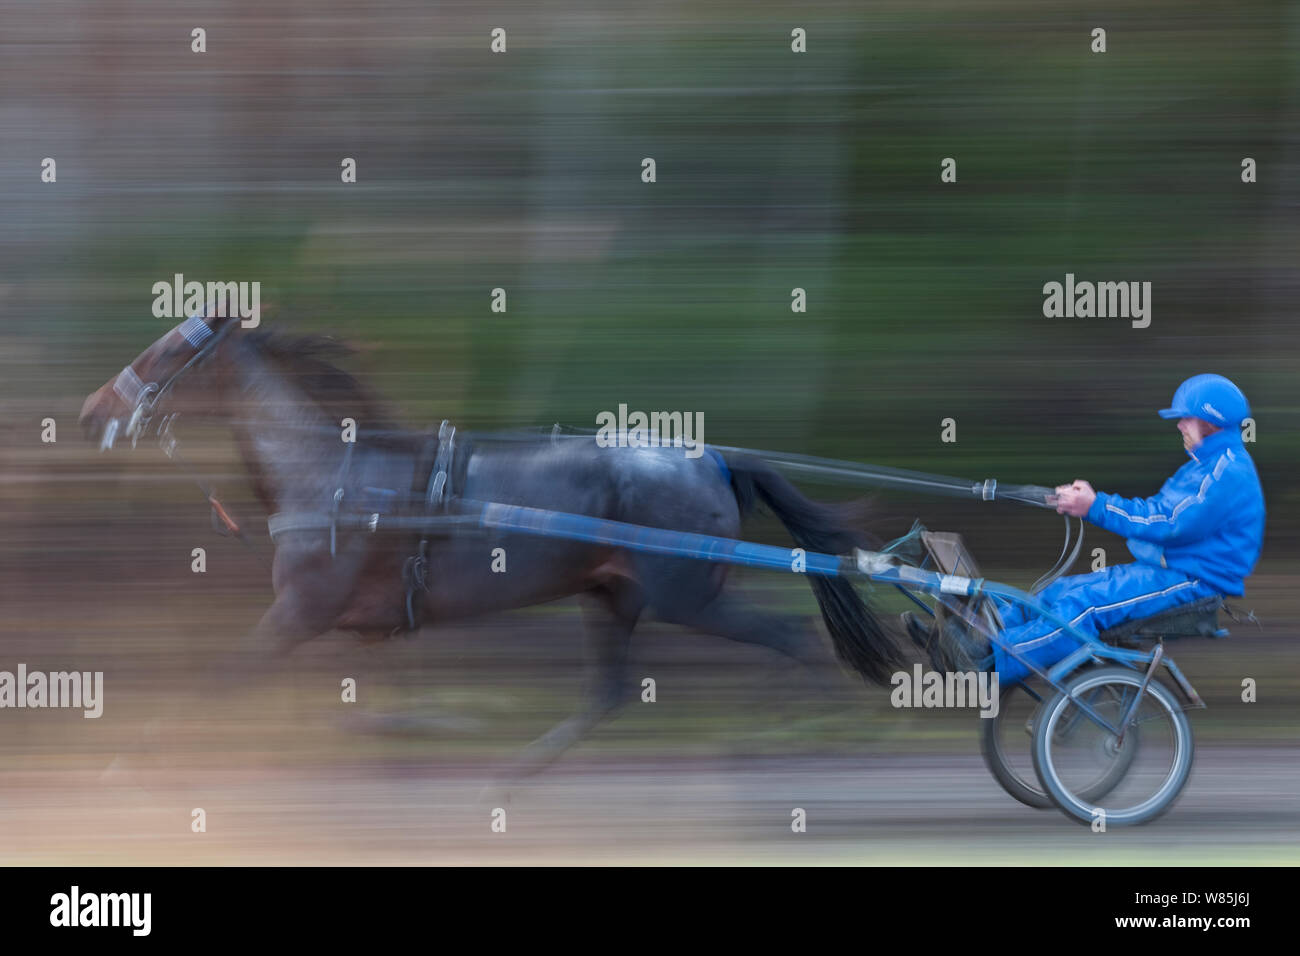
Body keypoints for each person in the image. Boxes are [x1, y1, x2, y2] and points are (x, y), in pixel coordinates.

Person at [931, 374, 1265, 680]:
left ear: (1210, 422)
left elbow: (1166, 522)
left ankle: (986, 659)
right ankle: (972, 634)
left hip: (1193, 581)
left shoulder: (1225, 473)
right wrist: (1086, 503)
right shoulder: (1205, 467)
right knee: (1059, 592)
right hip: (1167, 570)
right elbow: (1155, 512)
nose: (1179, 426)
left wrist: (1095, 506)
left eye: (1185, 418)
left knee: (1083, 606)